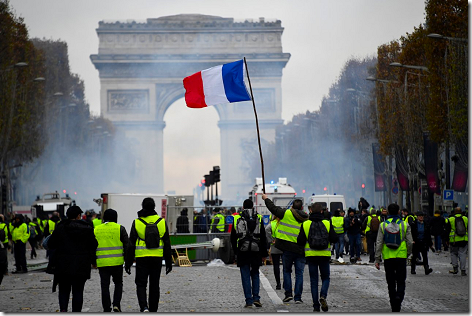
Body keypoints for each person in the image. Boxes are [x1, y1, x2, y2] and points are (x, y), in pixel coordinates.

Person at [125, 197, 173, 312]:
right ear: (154, 207)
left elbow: (131, 244)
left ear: (143, 206)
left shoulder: (137, 222)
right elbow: (167, 243)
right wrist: (168, 262)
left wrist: (128, 262)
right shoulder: (161, 222)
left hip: (142, 257)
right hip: (157, 257)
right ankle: (153, 310)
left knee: (141, 284)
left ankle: (144, 307)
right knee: (154, 284)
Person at [47, 205, 98, 312]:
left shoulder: (60, 227)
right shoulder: (87, 228)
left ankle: (63, 310)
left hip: (63, 265)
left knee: (64, 290)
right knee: (78, 291)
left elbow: (51, 244)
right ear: (79, 216)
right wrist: (94, 262)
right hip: (81, 265)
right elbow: (93, 246)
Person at [262, 193, 308, 303]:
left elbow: (273, 208)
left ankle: (288, 294)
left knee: (287, 271)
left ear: (292, 207)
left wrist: (266, 198)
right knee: (299, 273)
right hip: (300, 250)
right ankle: (298, 297)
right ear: (302, 207)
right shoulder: (306, 218)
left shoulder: (286, 213)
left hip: (287, 249)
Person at [297, 202, 338, 312]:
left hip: (311, 256)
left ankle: (316, 305)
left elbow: (300, 241)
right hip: (324, 255)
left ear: (310, 211)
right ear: (322, 211)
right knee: (325, 278)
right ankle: (323, 295)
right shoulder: (327, 223)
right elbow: (335, 239)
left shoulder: (305, 224)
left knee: (313, 281)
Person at [375, 203, 413, 312]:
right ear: (398, 212)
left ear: (387, 212)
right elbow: (410, 242)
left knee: (390, 282)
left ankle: (393, 304)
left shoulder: (383, 225)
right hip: (401, 256)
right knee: (401, 280)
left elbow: (379, 242)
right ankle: (399, 297)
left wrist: (377, 259)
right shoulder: (405, 225)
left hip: (388, 257)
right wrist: (408, 253)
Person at [231, 199, 268, 308]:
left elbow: (233, 238)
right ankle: (256, 298)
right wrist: (264, 253)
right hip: (256, 251)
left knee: (245, 275)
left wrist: (235, 252)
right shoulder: (259, 218)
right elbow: (263, 237)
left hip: (242, 250)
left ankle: (248, 300)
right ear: (253, 207)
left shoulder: (237, 218)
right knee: (255, 274)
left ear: (243, 207)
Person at [94, 208, 129, 312]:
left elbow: (91, 246)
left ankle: (106, 308)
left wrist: (93, 261)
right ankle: (116, 304)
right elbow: (127, 246)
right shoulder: (120, 228)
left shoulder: (96, 229)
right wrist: (128, 261)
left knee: (104, 286)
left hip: (102, 262)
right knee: (118, 283)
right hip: (117, 262)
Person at [445, 207, 468, 276]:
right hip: (464, 239)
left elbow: (447, 231)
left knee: (453, 254)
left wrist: (446, 240)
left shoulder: (450, 219)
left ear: (454, 212)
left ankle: (455, 268)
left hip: (453, 240)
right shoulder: (466, 218)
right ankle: (463, 270)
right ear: (461, 212)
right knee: (463, 254)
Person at [265, 214, 283, 290]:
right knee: (286, 267)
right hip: (284, 247)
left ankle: (278, 283)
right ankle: (286, 283)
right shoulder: (284, 223)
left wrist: (271, 240)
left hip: (274, 247)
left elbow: (266, 230)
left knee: (276, 266)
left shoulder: (271, 224)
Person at [0, 214, 8, 283]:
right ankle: (5, 270)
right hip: (3, 244)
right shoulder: (4, 225)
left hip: (3, 244)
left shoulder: (4, 225)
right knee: (4, 259)